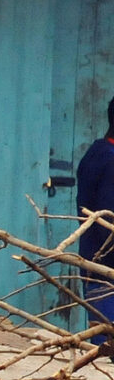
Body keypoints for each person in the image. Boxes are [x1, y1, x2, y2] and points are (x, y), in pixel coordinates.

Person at [77, 98, 114, 329]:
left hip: (94, 263)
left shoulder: (95, 152)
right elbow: (107, 220)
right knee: (107, 349)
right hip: (107, 269)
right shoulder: (109, 158)